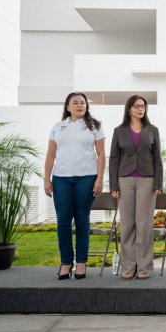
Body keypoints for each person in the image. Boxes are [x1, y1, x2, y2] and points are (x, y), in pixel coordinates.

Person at [44, 92, 105, 280]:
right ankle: (66, 262)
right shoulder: (58, 127)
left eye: (83, 103)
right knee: (63, 221)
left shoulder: (94, 126)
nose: (80, 105)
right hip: (61, 179)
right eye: (75, 103)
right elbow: (51, 155)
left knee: (81, 220)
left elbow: (101, 154)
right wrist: (47, 178)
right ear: (67, 107)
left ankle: (81, 263)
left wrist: (100, 179)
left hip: (86, 178)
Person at [109, 95, 163, 280]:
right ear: (129, 109)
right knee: (127, 225)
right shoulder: (119, 131)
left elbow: (157, 157)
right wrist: (114, 185)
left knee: (144, 225)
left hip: (147, 180)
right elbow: (114, 159)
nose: (141, 109)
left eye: (143, 106)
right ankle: (128, 266)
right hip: (124, 180)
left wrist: (158, 183)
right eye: (137, 106)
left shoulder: (152, 130)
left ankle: (144, 267)